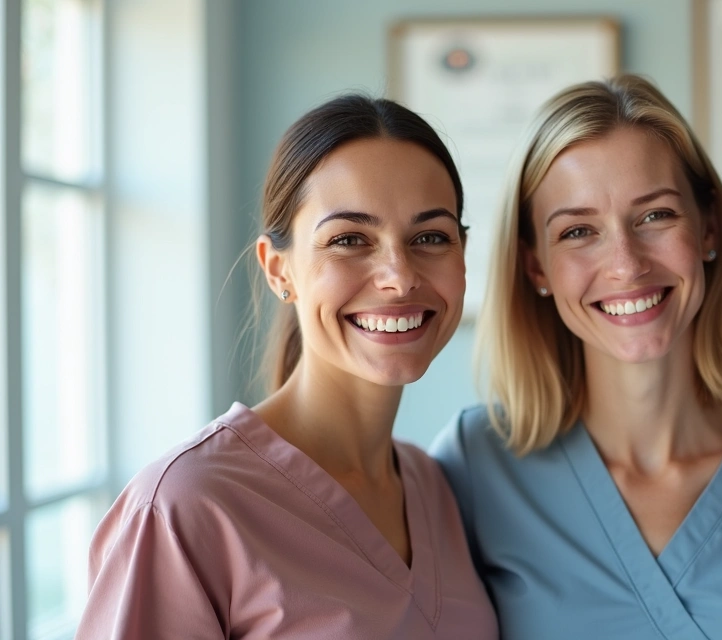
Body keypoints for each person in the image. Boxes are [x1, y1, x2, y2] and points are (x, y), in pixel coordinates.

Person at [429, 74, 722, 640]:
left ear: (708, 228)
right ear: (536, 266)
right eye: (579, 230)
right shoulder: (472, 468)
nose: (626, 264)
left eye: (656, 216)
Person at [77, 95, 498, 638]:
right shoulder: (185, 507)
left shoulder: (437, 490)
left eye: (430, 237)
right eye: (349, 240)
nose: (399, 276)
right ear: (280, 271)